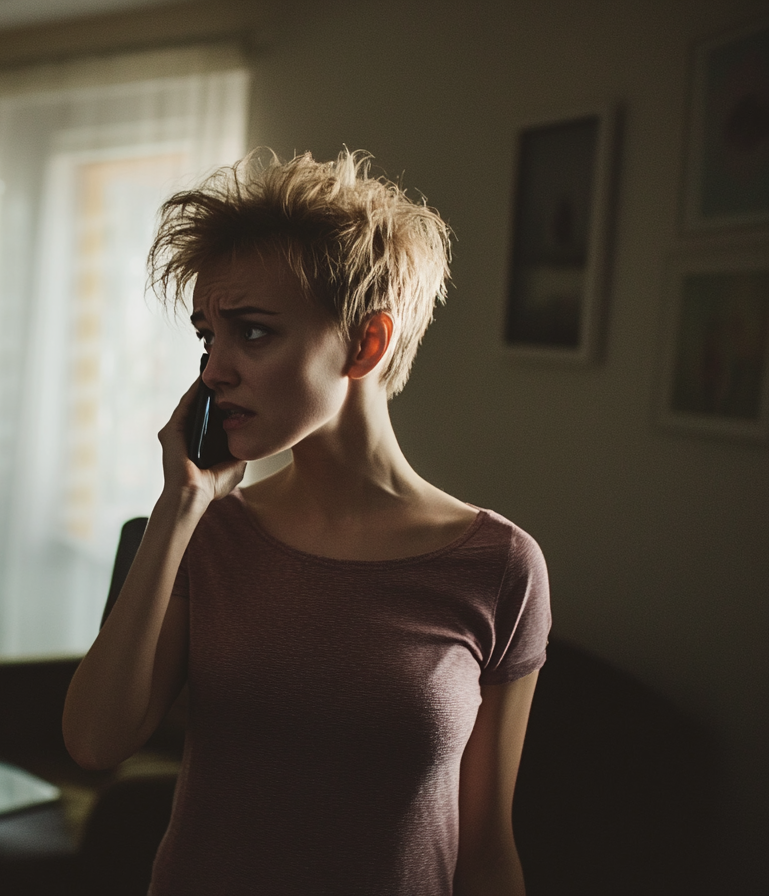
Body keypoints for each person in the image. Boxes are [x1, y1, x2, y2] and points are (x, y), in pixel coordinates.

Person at [62, 149, 550, 896]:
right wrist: (179, 510)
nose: (213, 370)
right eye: (207, 336)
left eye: (251, 333)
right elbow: (96, 741)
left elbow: (486, 853)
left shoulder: (499, 565)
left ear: (366, 343)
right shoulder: (211, 535)